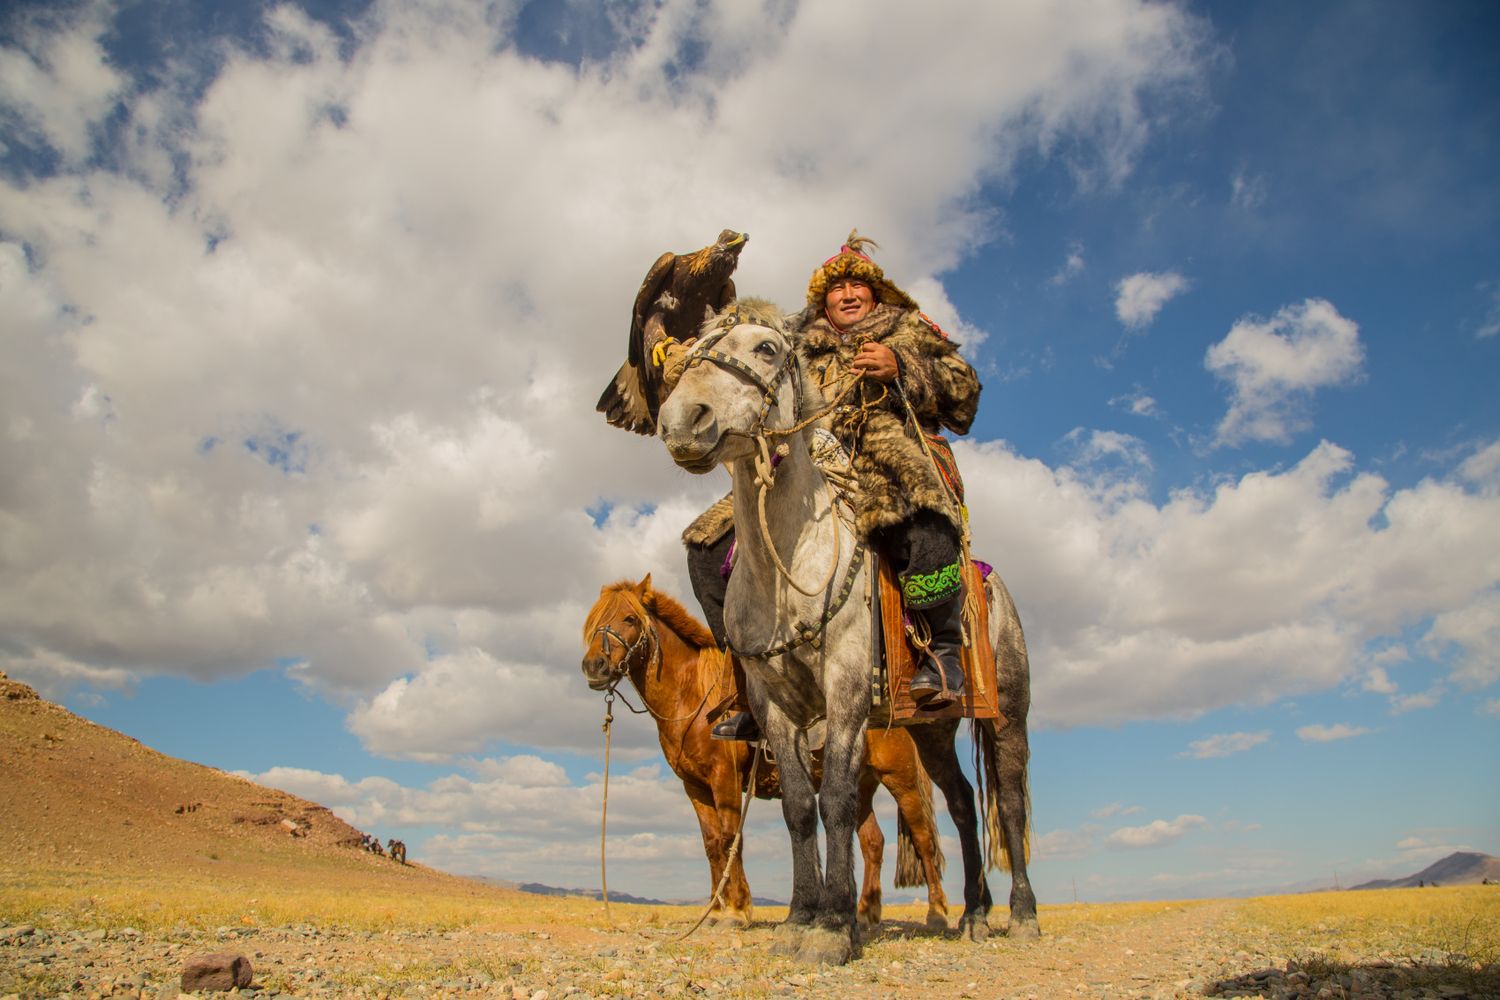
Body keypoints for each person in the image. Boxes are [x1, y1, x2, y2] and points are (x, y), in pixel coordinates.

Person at [691, 231, 982, 739]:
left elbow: (964, 394)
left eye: (857, 286)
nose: (847, 295)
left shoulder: (910, 331)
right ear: (823, 298)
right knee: (705, 549)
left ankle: (943, 651)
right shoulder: (795, 342)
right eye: (836, 288)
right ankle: (754, 682)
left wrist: (902, 369)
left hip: (883, 455)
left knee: (922, 527)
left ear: (875, 293)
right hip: (802, 460)